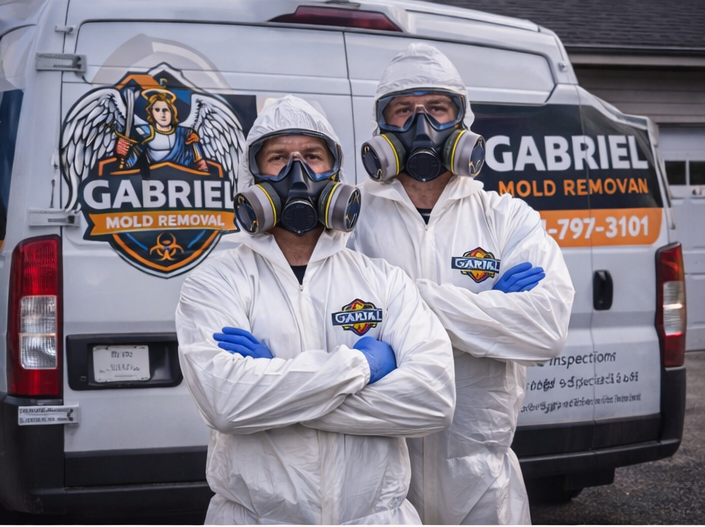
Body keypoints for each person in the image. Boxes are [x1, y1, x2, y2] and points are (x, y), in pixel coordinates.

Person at [175, 95, 456, 524]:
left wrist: (278, 390)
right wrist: (359, 367)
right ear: (251, 175)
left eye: (311, 156)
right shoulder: (215, 283)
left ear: (335, 174)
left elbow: (433, 400)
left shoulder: (382, 280)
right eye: (278, 159)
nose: (297, 172)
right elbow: (225, 403)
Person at [349, 43, 574, 525]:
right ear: (382, 128)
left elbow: (545, 329)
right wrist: (488, 309)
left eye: (437, 108)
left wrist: (396, 306)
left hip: (483, 482)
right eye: (404, 110)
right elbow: (333, 333)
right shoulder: (349, 222)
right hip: (381, 476)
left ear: (461, 122)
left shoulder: (506, 217)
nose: (420, 124)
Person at [115, 84, 207, 171]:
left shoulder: (186, 133)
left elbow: (201, 164)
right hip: (155, 179)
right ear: (151, 113)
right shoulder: (144, 132)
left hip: (184, 178)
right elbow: (129, 163)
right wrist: (122, 152)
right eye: (157, 110)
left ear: (172, 112)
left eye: (165, 110)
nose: (162, 114)